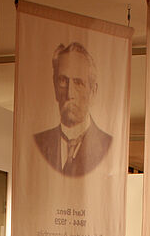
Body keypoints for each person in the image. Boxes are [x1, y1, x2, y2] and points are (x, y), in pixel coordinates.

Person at [34, 42, 112, 177]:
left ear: (93, 91)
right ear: (54, 86)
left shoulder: (108, 146)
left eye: (78, 83)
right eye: (63, 81)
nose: (70, 94)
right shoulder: (39, 144)